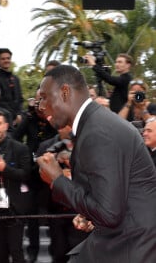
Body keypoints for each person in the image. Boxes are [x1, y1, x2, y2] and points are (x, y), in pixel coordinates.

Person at [36, 65, 156, 262]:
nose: (40, 106)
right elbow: (112, 200)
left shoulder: (97, 131)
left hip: (130, 246)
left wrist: (57, 180)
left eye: (44, 97)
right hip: (125, 237)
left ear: (65, 92)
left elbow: (109, 213)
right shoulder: (95, 123)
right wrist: (89, 215)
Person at [0, 110, 32, 263]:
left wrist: (5, 169)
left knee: (16, 250)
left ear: (6, 126)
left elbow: (26, 175)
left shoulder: (20, 148)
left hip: (14, 207)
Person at [13, 89, 57, 263]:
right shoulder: (29, 119)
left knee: (52, 213)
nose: (39, 105)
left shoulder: (54, 119)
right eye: (37, 101)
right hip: (31, 172)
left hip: (51, 171)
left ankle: (56, 249)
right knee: (31, 215)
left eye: (43, 101)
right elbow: (15, 138)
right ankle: (33, 250)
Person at [36, 125, 89, 263]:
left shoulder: (87, 146)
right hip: (56, 208)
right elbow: (37, 174)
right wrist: (56, 175)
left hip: (79, 208)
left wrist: (72, 172)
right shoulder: (48, 146)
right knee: (58, 251)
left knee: (79, 251)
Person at [0, 48, 24, 126]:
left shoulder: (16, 79)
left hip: (18, 121)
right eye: (3, 59)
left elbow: (20, 99)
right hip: (3, 120)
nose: (6, 60)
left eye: (8, 58)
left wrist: (19, 115)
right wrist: (14, 116)